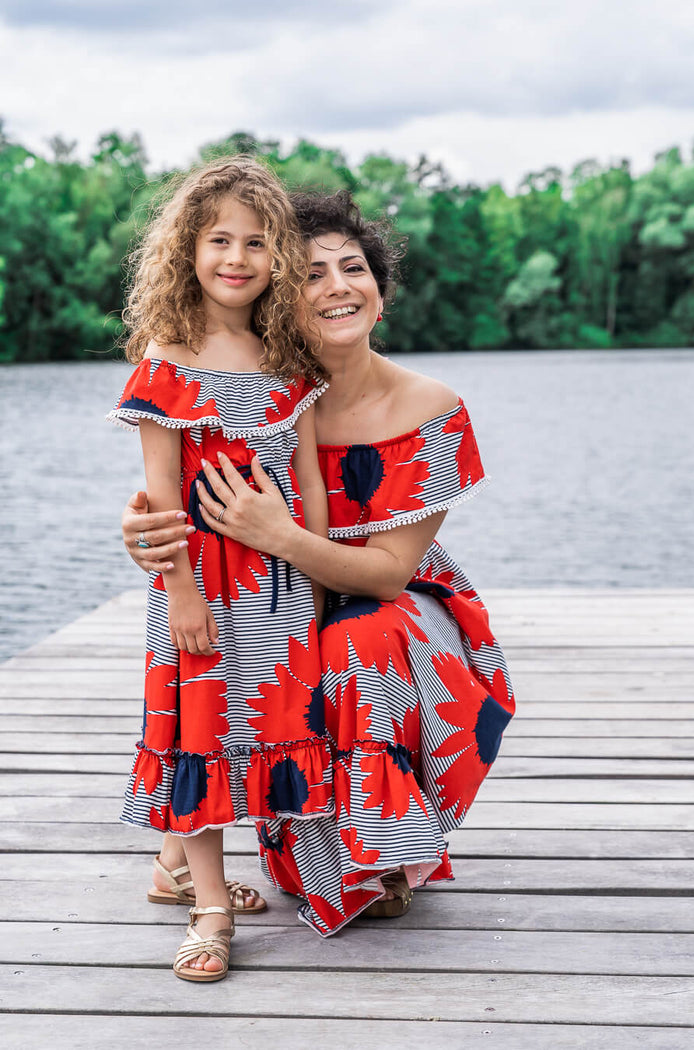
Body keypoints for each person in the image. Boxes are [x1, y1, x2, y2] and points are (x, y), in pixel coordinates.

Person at [123, 190, 515, 938]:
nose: (338, 285)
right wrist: (141, 535)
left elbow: (389, 573)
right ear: (275, 292)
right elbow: (173, 487)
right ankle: (191, 851)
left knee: (354, 639)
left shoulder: (431, 407)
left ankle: (379, 853)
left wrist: (282, 537)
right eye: (310, 274)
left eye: (354, 268)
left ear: (380, 289)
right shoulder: (259, 392)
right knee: (222, 672)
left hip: (394, 608)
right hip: (271, 593)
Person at [107, 158, 329, 981]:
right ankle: (205, 905)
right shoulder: (169, 356)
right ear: (188, 249)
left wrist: (317, 575)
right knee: (199, 734)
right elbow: (161, 503)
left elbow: (305, 483)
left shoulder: (286, 358)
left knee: (263, 727)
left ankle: (172, 870)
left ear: (278, 258)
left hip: (279, 586)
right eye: (219, 240)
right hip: (198, 585)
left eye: (257, 242)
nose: (236, 257)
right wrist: (182, 594)